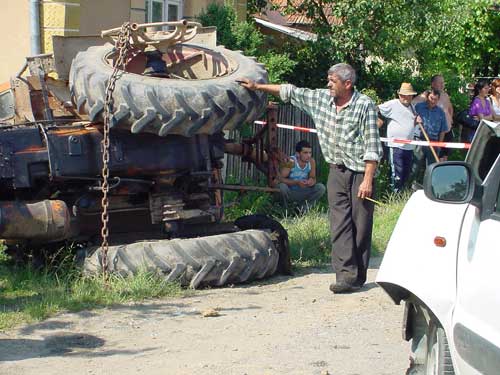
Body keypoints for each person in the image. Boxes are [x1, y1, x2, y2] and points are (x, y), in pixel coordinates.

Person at [238, 63, 382, 294]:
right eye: (328, 79)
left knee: (361, 225)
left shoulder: (364, 105)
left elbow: (372, 147)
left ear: (347, 84)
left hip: (359, 172)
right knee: (339, 224)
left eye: (332, 81)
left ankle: (358, 274)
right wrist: (258, 86)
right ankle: (345, 276)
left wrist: (367, 179)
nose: (328, 84)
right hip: (336, 171)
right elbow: (290, 91)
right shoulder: (321, 99)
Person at [377, 82, 418, 193]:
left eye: (408, 95)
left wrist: (417, 122)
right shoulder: (393, 104)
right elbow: (377, 109)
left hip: (408, 146)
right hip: (395, 145)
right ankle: (394, 194)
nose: (405, 97)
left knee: (406, 172)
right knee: (396, 172)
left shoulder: (413, 108)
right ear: (399, 95)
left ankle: (401, 194)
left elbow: (411, 125)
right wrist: (377, 123)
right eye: (403, 95)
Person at [413, 75, 453, 160]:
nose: (443, 85)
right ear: (433, 84)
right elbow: (412, 104)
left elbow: (450, 108)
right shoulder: (425, 95)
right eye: (440, 83)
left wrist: (450, 119)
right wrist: (416, 117)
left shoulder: (445, 95)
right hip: (431, 134)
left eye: (443, 83)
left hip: (445, 131)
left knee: (442, 159)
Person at [278, 140, 326, 210]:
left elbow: (313, 178)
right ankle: (285, 209)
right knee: (282, 187)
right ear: (297, 154)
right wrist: (296, 182)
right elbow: (280, 179)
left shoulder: (311, 161)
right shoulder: (291, 161)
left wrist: (311, 181)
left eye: (310, 152)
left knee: (321, 187)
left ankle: (303, 208)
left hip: (304, 191)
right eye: (305, 153)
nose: (309, 155)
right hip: (290, 192)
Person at [412, 89, 448, 183]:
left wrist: (439, 145)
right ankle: (410, 187)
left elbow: (443, 130)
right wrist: (415, 121)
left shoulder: (440, 112)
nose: (433, 101)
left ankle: (430, 187)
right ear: (427, 97)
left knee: (432, 168)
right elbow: (410, 121)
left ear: (438, 100)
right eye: (431, 98)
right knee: (415, 166)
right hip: (419, 140)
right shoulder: (418, 107)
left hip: (433, 142)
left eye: (435, 99)